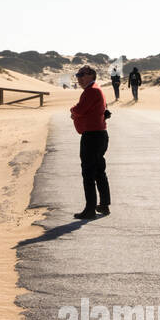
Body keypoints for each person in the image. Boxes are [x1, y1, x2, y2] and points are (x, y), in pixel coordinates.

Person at [69, 65, 110, 219]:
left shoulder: (91, 91)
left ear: (91, 75)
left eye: (81, 75)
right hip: (99, 135)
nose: (78, 78)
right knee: (99, 171)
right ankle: (104, 205)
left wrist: (73, 111)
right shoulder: (96, 89)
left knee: (88, 173)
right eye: (77, 75)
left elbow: (79, 109)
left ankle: (90, 209)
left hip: (92, 136)